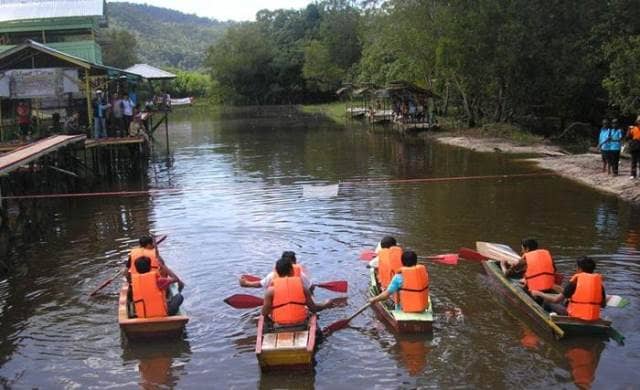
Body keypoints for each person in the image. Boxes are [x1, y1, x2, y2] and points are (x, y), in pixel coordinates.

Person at [261, 258, 337, 327]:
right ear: (292, 271)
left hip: (280, 324)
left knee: (266, 317)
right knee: (310, 312)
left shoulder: (270, 291)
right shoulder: (302, 287)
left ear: (277, 271)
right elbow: (313, 308)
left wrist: (269, 320)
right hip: (300, 322)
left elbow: (264, 313)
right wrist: (325, 304)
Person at [531, 256, 606, 321]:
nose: (575, 269)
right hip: (593, 318)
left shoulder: (575, 282)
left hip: (574, 317)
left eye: (576, 267)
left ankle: (548, 318)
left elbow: (556, 300)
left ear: (580, 269)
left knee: (547, 301)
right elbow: (603, 305)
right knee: (565, 301)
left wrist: (539, 293)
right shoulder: (599, 284)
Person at [239, 251, 311, 289]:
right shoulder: (301, 275)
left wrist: (247, 283)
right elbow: (309, 287)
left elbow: (260, 284)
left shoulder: (273, 275)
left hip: (278, 308)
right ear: (295, 262)